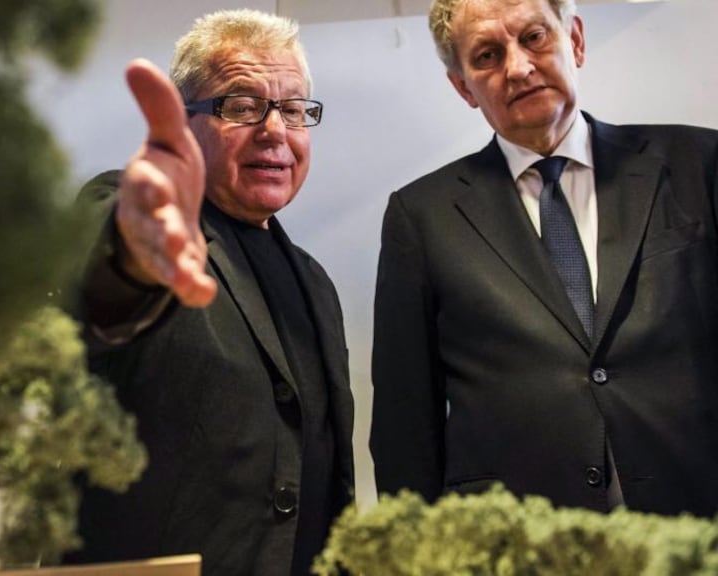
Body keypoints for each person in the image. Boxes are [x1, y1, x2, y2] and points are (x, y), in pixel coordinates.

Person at [370, 0, 718, 517]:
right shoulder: (421, 216)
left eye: (533, 37)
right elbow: (406, 422)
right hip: (516, 544)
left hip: (694, 526)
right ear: (463, 87)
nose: (518, 67)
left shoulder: (700, 165)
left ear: (574, 39)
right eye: (487, 55)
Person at [70, 9, 355, 576]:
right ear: (183, 121)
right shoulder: (137, 217)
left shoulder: (316, 283)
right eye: (243, 106)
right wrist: (131, 250)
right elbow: (100, 291)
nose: (274, 130)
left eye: (294, 110)